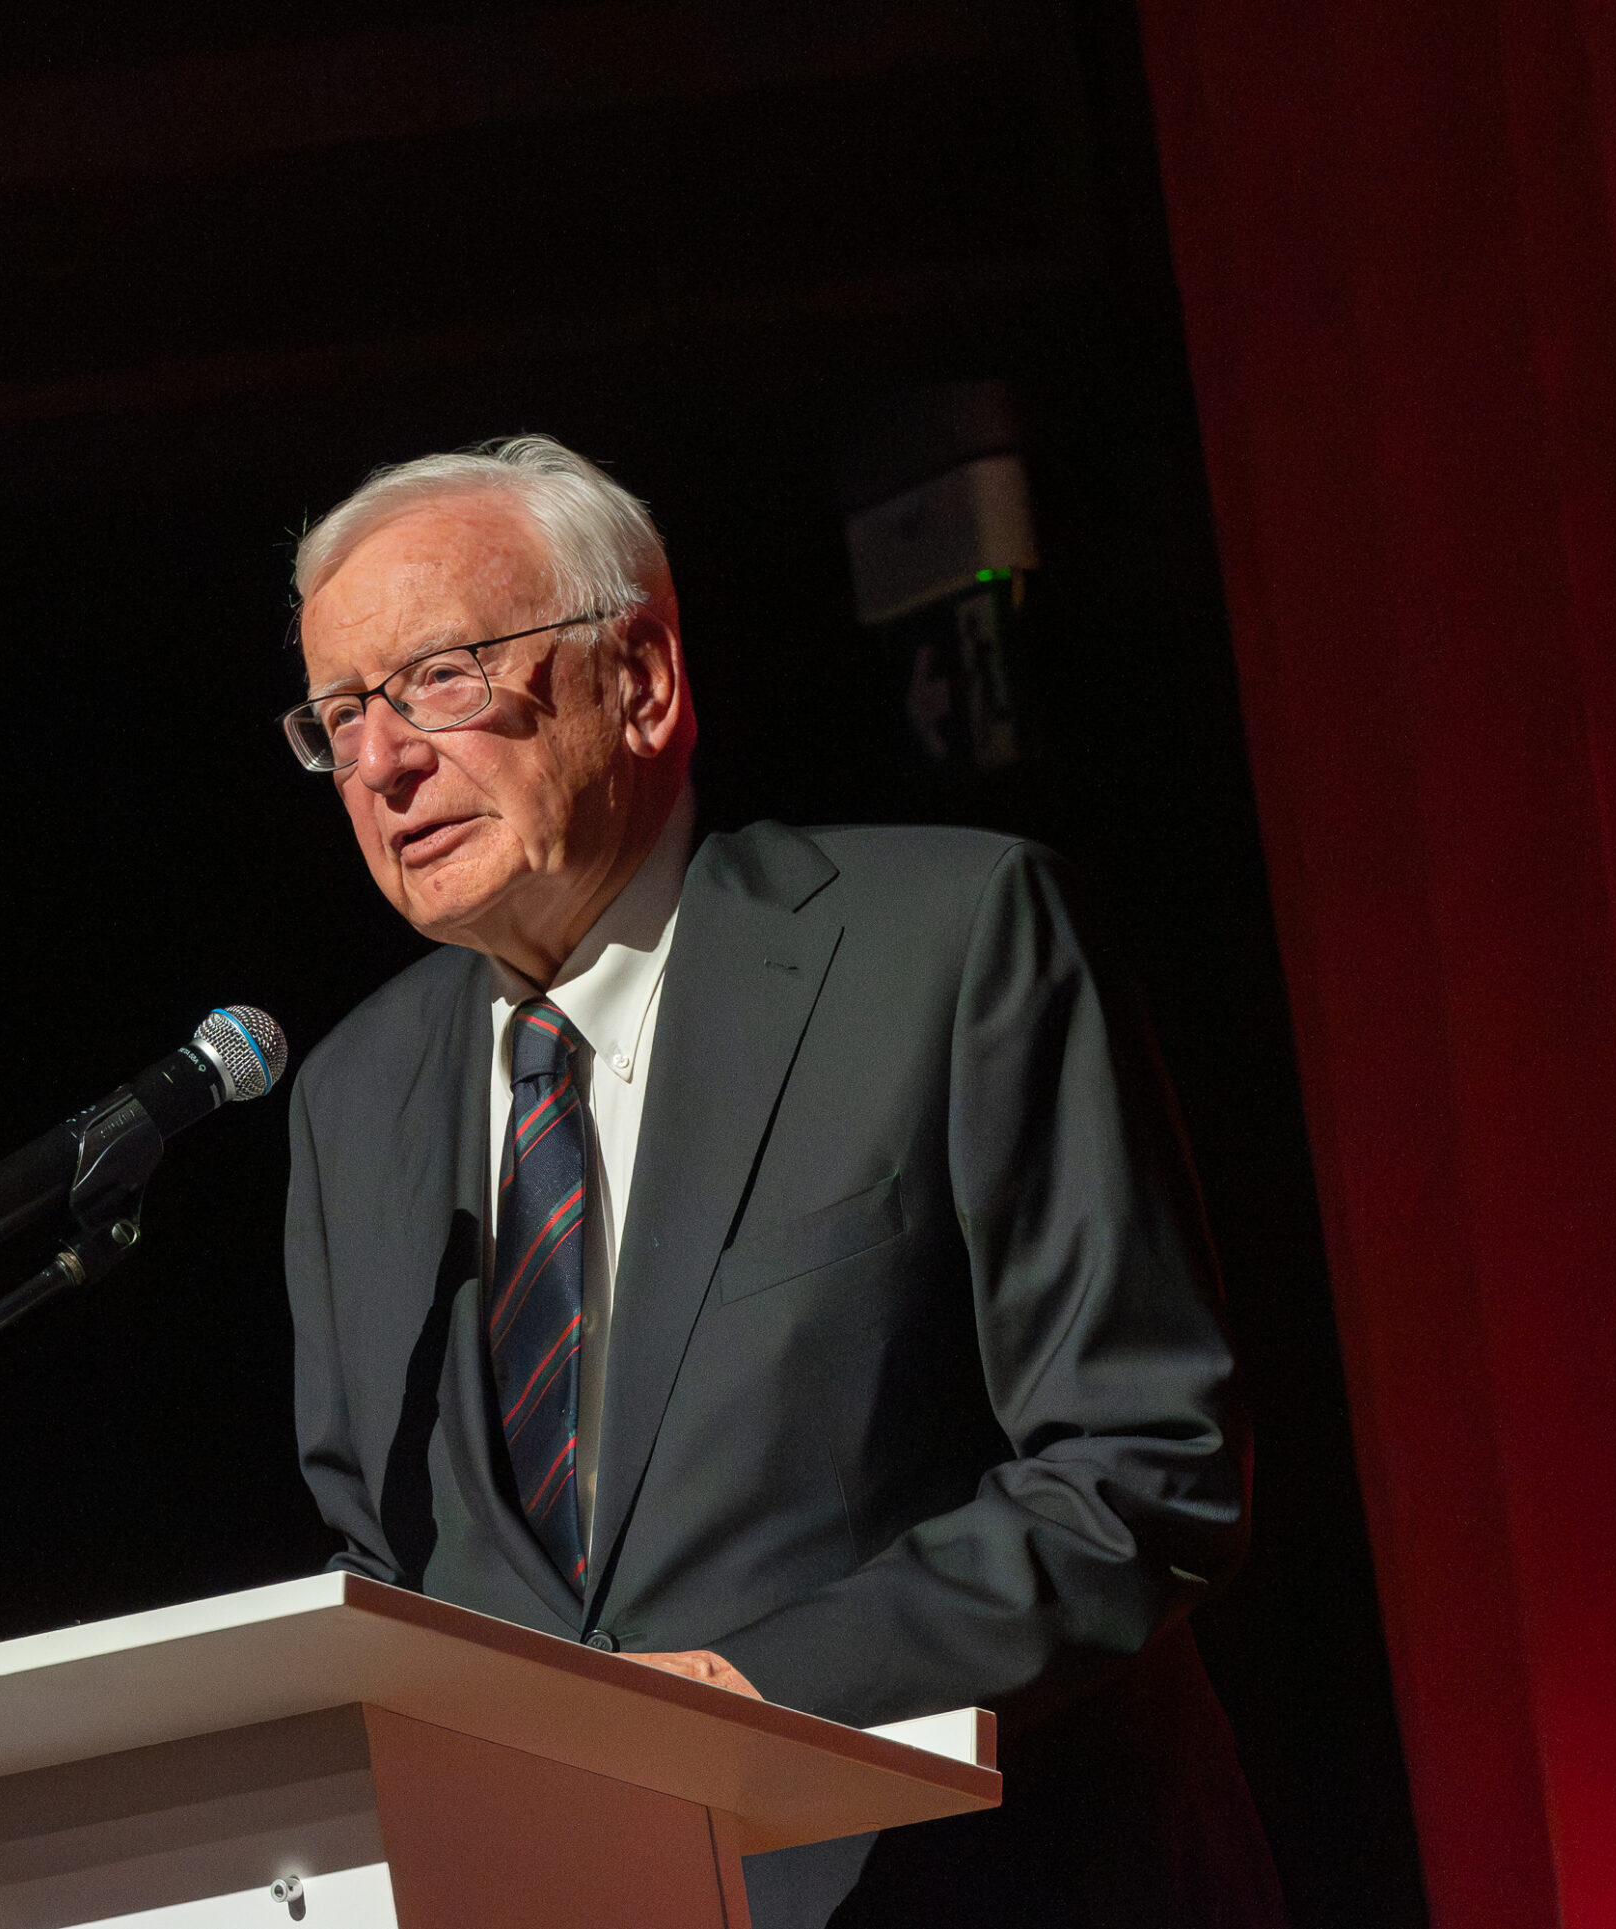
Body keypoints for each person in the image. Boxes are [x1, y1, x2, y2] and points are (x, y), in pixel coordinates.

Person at [278, 435, 1285, 1927]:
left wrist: (756, 1697)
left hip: (962, 1885)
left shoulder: (946, 945)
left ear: (640, 681)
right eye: (341, 715)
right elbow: (391, 1568)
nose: (381, 761)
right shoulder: (352, 1099)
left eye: (439, 679)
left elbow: (1142, 1469)